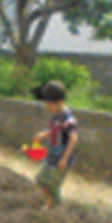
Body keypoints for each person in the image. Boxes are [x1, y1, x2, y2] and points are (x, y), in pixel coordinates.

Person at [32, 81, 78, 210]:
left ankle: (57, 207)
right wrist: (43, 134)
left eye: (48, 104)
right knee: (41, 179)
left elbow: (73, 139)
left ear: (56, 103)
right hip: (53, 155)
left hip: (63, 158)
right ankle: (51, 203)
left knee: (53, 184)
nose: (48, 107)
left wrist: (64, 158)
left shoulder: (69, 119)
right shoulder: (57, 116)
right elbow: (55, 130)